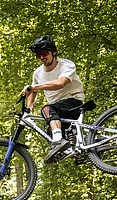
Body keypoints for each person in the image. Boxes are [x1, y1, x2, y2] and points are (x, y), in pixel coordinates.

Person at [20, 35, 86, 164]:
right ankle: (77, 151)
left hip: (73, 102)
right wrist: (29, 107)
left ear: (53, 52)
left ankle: (59, 142)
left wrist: (34, 87)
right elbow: (33, 91)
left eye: (44, 53)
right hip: (58, 109)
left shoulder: (66, 65)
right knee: (49, 130)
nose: (42, 57)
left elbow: (61, 82)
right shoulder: (38, 73)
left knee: (47, 110)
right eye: (38, 55)